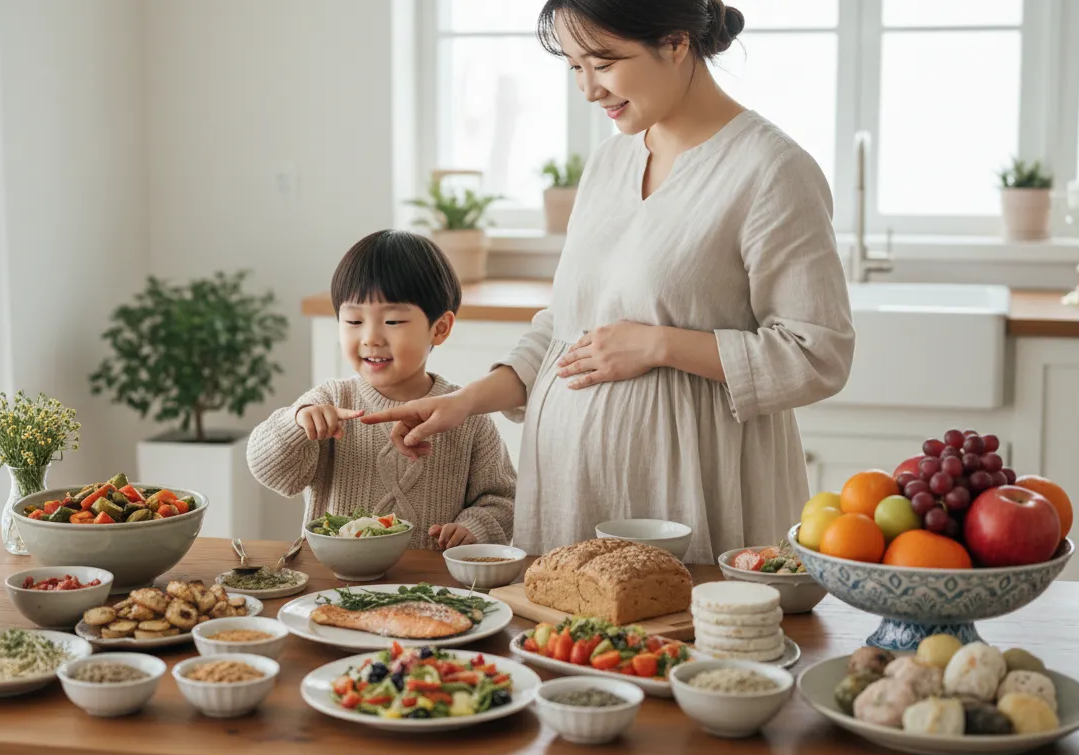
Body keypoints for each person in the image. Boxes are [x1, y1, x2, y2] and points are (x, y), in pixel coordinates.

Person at [362, 0, 854, 563]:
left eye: (603, 61)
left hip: (686, 499)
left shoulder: (770, 170)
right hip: (570, 499)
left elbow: (819, 353)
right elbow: (567, 328)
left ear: (674, 42)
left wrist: (660, 345)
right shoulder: (608, 163)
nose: (589, 89)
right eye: (575, 66)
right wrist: (465, 401)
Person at [246, 229, 516, 550]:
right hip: (335, 583)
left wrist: (475, 527)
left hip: (428, 586)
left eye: (392, 322)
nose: (371, 337)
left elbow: (503, 499)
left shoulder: (465, 416)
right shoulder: (329, 401)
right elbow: (269, 470)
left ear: (439, 328)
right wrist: (295, 423)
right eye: (354, 322)